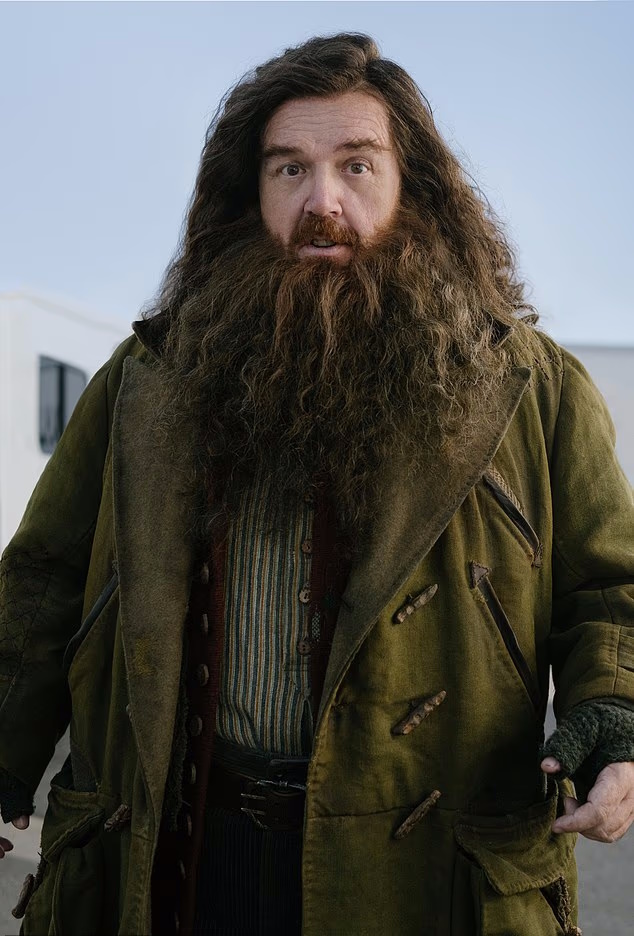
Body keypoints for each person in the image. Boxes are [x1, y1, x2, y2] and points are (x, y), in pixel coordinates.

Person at [1, 32, 633, 936]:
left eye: (357, 166)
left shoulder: (536, 389)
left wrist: (613, 714)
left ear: (414, 189)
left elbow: (608, 589)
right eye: (289, 169)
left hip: (429, 870)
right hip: (187, 853)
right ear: (249, 191)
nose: (322, 201)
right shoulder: (147, 380)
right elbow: (43, 581)